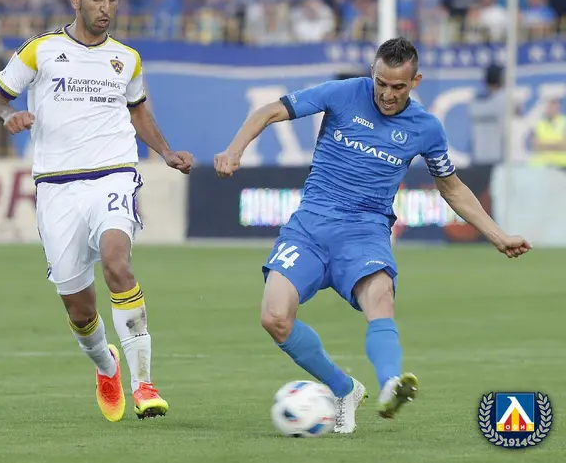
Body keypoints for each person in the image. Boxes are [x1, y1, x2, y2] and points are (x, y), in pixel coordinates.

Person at [214, 37, 531, 433]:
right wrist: (234, 150)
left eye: (398, 86)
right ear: (372, 73)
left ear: (415, 82)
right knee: (274, 318)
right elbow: (270, 110)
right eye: (381, 82)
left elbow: (451, 188)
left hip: (365, 232)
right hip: (310, 226)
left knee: (380, 298)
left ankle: (391, 384)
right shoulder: (344, 93)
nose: (386, 93)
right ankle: (344, 388)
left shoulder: (426, 128)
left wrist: (497, 235)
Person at [0, 0, 193, 422]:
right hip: (57, 186)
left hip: (113, 173)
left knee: (118, 261)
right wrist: (9, 116)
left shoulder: (127, 58)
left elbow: (138, 112)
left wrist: (165, 151)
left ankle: (145, 385)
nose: (106, 7)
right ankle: (106, 365)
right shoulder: (40, 50)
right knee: (79, 309)